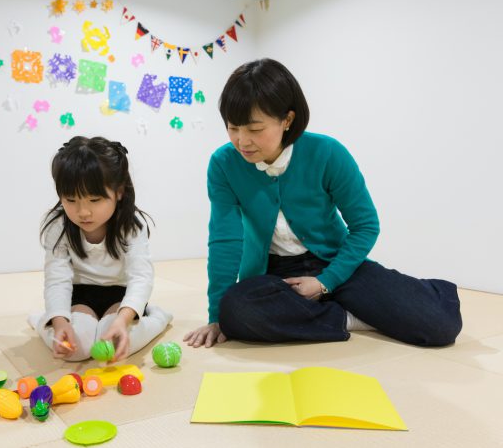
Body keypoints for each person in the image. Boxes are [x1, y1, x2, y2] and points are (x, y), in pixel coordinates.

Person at [183, 58, 462, 349]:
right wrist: (216, 315)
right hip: (273, 273)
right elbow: (225, 240)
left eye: (254, 129)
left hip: (335, 262)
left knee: (440, 326)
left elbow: (365, 226)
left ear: (287, 120)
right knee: (235, 311)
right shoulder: (223, 164)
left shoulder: (327, 153)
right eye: (233, 128)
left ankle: (411, 293)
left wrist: (325, 281)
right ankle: (347, 317)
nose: (242, 141)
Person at [28, 136, 172, 362]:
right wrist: (59, 320)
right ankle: (42, 320)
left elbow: (141, 277)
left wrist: (123, 320)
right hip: (80, 295)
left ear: (119, 192)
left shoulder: (131, 225)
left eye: (95, 200)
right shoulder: (58, 226)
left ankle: (158, 317)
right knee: (73, 351)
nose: (83, 212)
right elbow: (57, 279)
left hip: (120, 296)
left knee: (113, 348)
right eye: (70, 199)